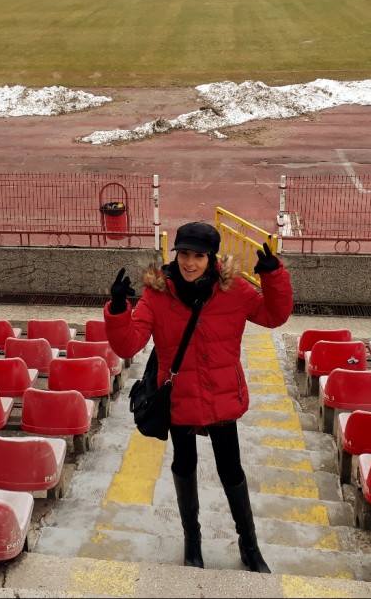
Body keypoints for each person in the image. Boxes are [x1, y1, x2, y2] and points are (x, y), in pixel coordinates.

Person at [103, 220, 293, 573]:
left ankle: (249, 544)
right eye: (185, 255)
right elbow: (128, 344)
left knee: (230, 469)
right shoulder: (157, 294)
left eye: (199, 256)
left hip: (221, 397)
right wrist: (117, 311)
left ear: (212, 258)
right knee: (184, 464)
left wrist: (273, 276)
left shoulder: (233, 290)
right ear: (175, 255)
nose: (190, 263)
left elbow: (274, 314)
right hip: (181, 399)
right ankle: (193, 541)